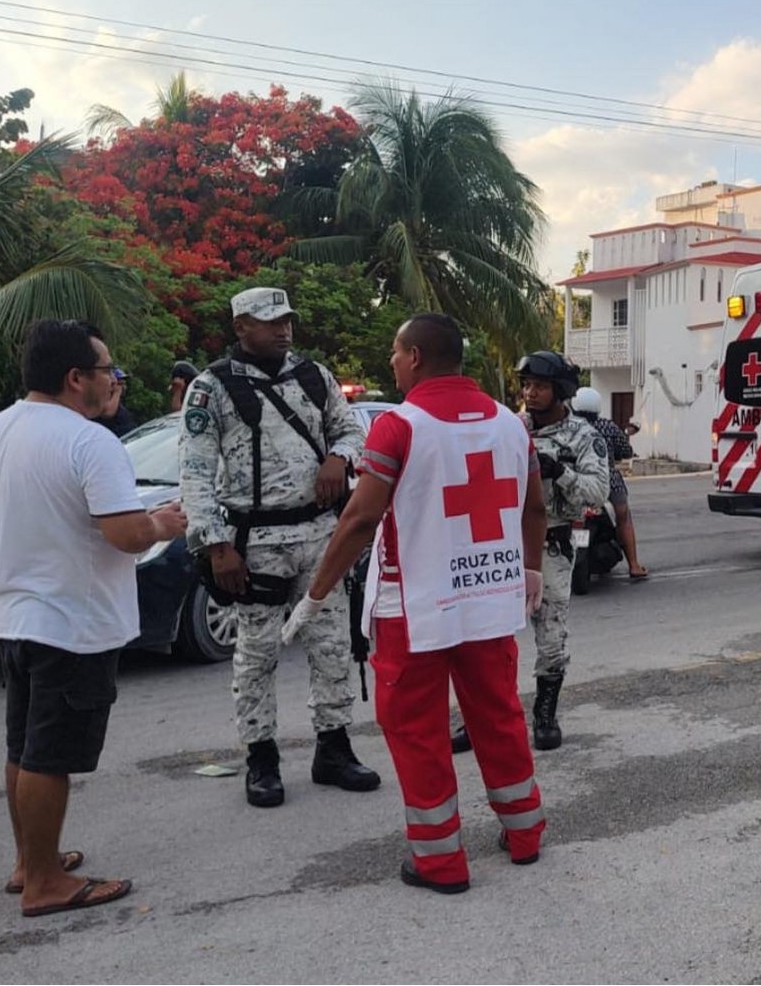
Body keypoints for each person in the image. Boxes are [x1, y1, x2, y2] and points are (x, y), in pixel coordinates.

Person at [283, 313, 548, 893]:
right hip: (489, 600)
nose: (392, 362)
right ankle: (525, 833)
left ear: (417, 358)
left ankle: (439, 861)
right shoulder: (510, 424)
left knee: (416, 730)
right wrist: (530, 569)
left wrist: (316, 593)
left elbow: (359, 519)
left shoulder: (400, 427)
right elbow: (533, 507)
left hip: (415, 607)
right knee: (499, 717)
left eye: (396, 353)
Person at [0, 319, 187, 917]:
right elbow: (127, 534)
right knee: (49, 756)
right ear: (74, 377)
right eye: (107, 368)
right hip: (73, 624)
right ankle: (45, 884)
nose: (115, 379)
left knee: (23, 747)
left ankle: (30, 862)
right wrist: (164, 521)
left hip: (15, 619)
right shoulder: (91, 442)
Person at [178, 286, 380, 808]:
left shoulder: (314, 376)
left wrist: (339, 456)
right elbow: (196, 474)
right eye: (269, 322)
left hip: (320, 535)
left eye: (286, 320)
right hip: (255, 542)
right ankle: (261, 758)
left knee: (332, 645)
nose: (282, 330)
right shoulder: (212, 388)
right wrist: (216, 545)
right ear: (240, 327)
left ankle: (333, 749)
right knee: (257, 653)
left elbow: (351, 431)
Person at [453, 350, 609, 754]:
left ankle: (544, 714)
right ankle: (478, 719)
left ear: (560, 391)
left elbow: (597, 493)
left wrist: (559, 470)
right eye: (526, 385)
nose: (530, 392)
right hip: (501, 542)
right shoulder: (507, 427)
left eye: (539, 386)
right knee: (487, 635)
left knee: (551, 635)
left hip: (552, 543)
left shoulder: (584, 436)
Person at [570, 386, 648, 580]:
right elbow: (625, 451)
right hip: (607, 479)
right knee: (623, 517)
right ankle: (634, 565)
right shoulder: (607, 426)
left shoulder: (567, 428)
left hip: (575, 479)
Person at [94, 366, 136, 437]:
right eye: (120, 384)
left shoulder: (117, 401)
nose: (123, 387)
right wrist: (117, 392)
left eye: (124, 384)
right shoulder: (102, 400)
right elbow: (108, 413)